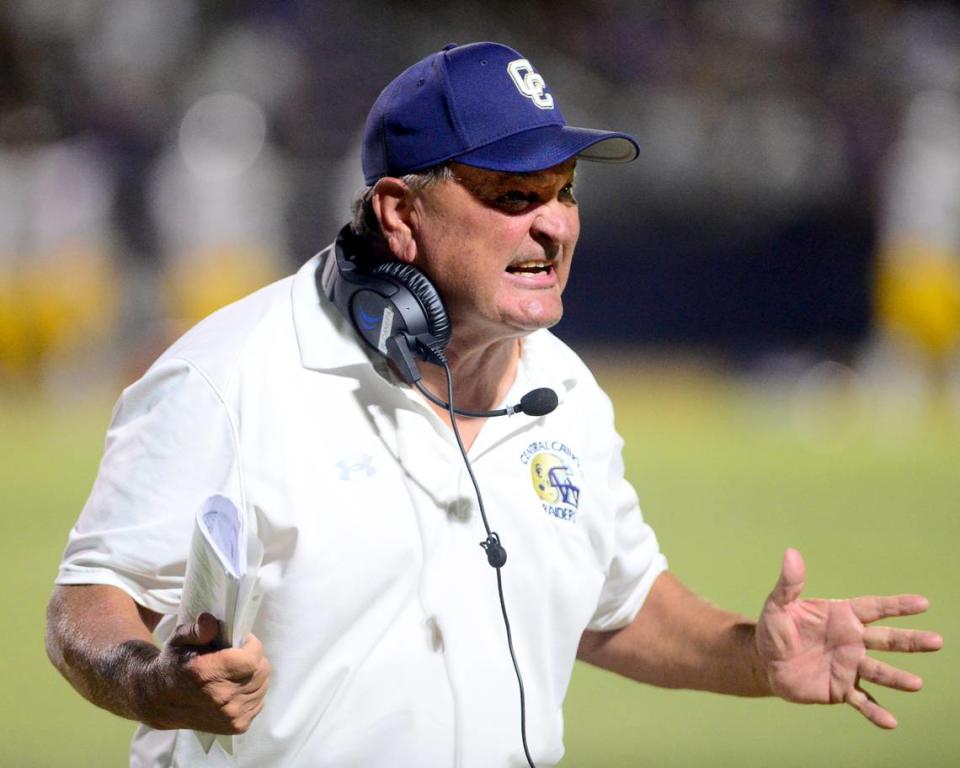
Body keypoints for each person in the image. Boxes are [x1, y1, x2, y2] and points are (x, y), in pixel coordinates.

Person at [46, 42, 942, 768]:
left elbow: (618, 606)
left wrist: (754, 654)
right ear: (400, 214)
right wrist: (149, 679)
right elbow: (86, 603)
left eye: (564, 194)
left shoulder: (567, 390)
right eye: (515, 197)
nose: (552, 226)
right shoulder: (229, 376)